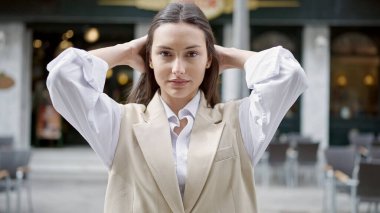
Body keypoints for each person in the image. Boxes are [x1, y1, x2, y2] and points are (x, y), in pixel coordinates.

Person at [46, 2, 307, 213]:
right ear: (149, 58)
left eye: (192, 54)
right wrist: (125, 51)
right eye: (165, 54)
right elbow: (63, 77)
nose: (178, 69)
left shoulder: (240, 122)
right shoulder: (120, 125)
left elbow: (289, 74)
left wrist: (227, 56)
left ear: (208, 59)